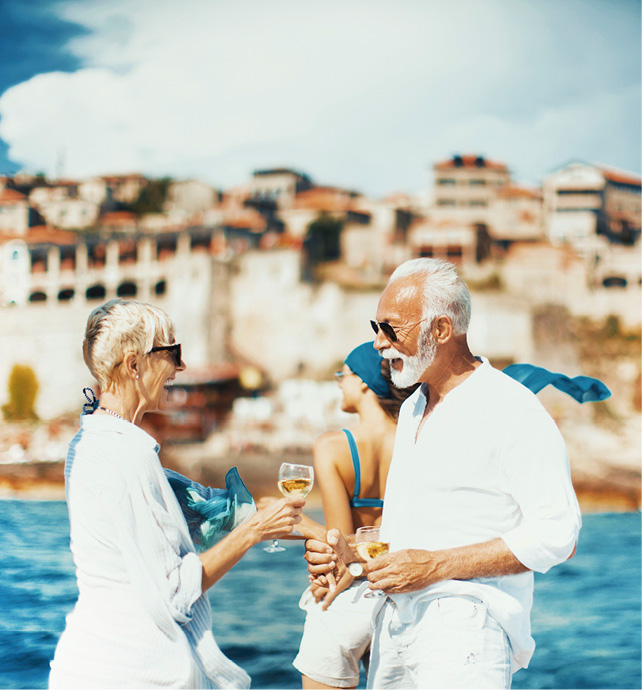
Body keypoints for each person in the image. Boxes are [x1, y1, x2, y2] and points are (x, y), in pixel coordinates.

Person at [305, 258, 582, 689]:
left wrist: (435, 566)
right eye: (375, 326)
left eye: (391, 328)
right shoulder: (414, 406)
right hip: (395, 626)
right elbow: (420, 530)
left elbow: (559, 534)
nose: (379, 343)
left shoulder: (511, 409)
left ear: (440, 330)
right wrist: (352, 559)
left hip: (465, 632)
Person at [49, 299, 304, 689]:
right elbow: (175, 591)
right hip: (135, 672)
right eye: (172, 352)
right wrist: (252, 533)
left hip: (88, 663)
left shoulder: (90, 442)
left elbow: (205, 510)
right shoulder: (129, 454)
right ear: (134, 365)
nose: (180, 367)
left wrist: (313, 534)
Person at [291, 342, 417, 689]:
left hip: (349, 597)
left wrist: (296, 523)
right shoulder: (416, 441)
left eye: (342, 374)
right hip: (401, 594)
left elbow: (341, 544)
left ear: (363, 381)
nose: (338, 382)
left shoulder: (333, 446)